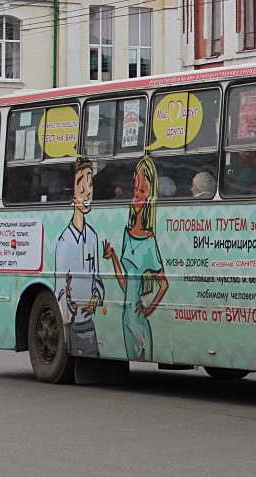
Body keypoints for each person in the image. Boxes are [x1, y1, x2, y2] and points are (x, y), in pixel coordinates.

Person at [103, 155, 168, 361]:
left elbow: (163, 284)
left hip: (139, 320)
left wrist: (148, 310)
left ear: (151, 195)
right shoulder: (126, 231)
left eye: (142, 191)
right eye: (135, 189)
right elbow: (124, 283)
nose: (136, 196)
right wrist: (113, 256)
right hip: (125, 317)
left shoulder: (149, 241)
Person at [55, 159, 104, 356]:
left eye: (90, 185)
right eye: (81, 186)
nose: (87, 192)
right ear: (71, 193)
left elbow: (99, 277)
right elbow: (59, 288)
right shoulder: (63, 241)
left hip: (90, 324)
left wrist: (96, 297)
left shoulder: (92, 236)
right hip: (73, 325)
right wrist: (70, 308)